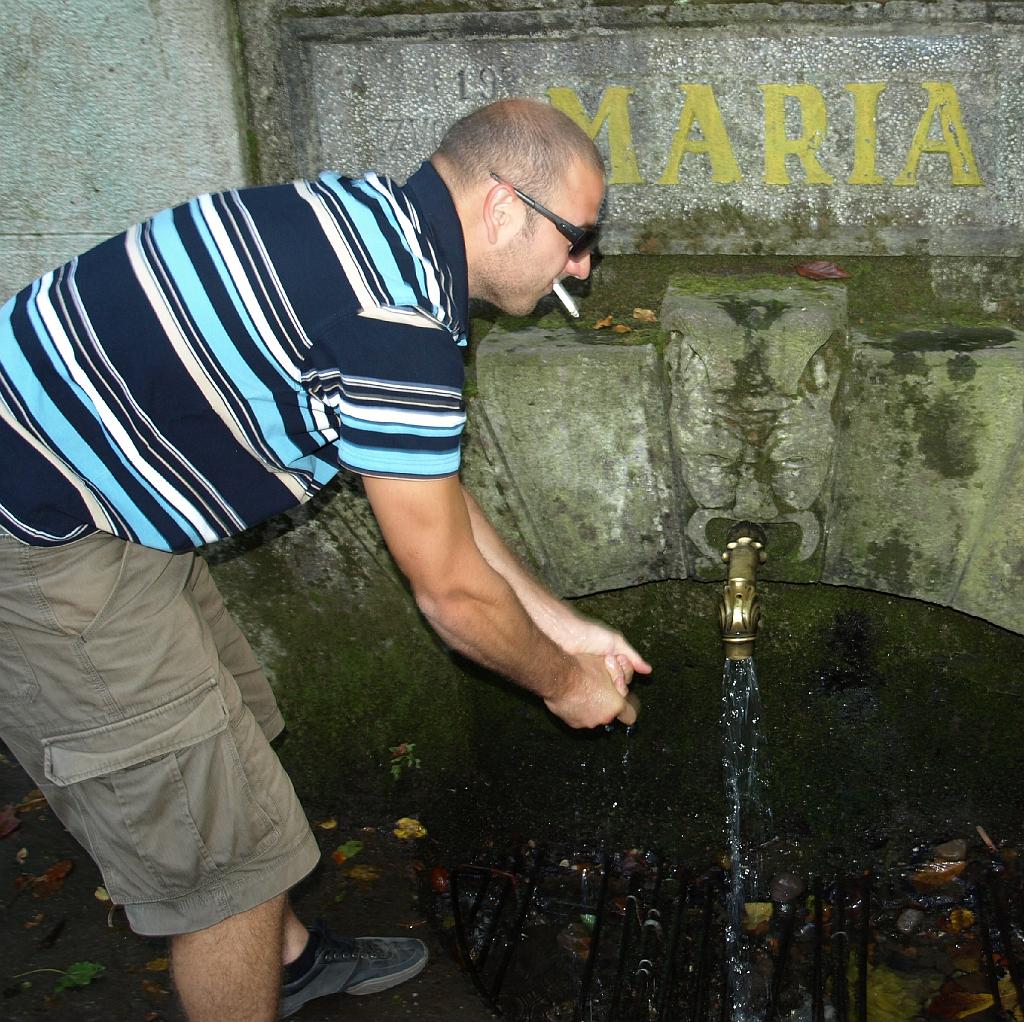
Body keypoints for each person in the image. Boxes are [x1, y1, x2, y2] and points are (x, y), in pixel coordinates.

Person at [0, 98, 650, 1021]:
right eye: (577, 238)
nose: (582, 264)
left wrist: (562, 622)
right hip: (37, 544)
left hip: (101, 491)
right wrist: (564, 683)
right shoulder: (397, 318)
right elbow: (453, 596)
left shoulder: (366, 218)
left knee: (232, 734)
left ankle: (290, 963)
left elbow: (425, 484)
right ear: (504, 207)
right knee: (226, 868)